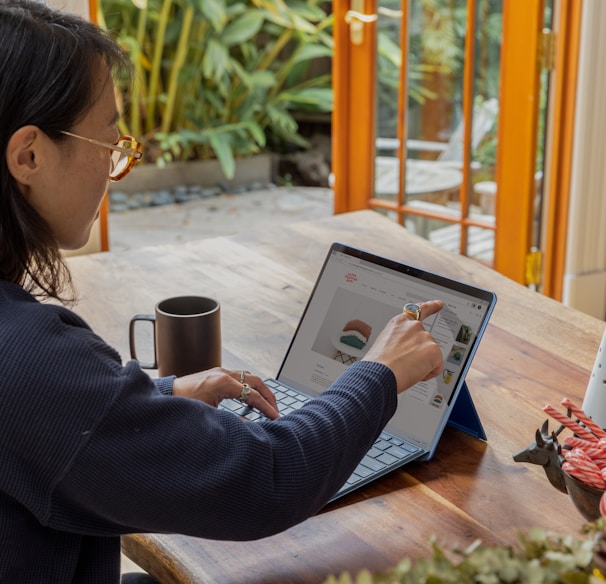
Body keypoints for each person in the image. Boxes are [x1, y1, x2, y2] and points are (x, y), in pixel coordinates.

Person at [0, 0, 445, 582]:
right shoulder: (26, 355)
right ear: (28, 155)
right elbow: (263, 478)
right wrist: (380, 371)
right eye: (111, 143)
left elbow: (51, 427)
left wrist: (158, 399)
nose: (117, 165)